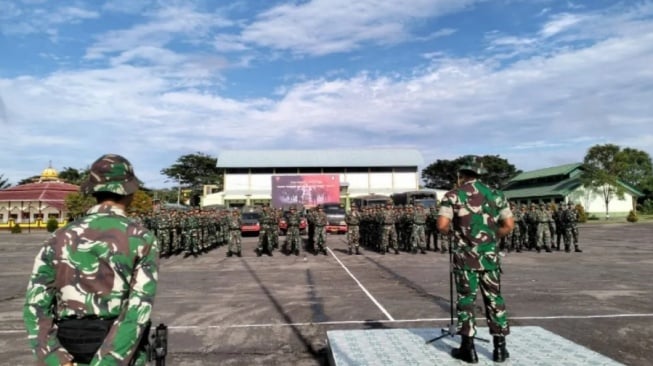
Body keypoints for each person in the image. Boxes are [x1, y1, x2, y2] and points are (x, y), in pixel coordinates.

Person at [23, 154, 159, 366]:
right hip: (121, 352)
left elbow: (35, 305)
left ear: (93, 190)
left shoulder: (58, 237)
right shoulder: (141, 237)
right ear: (130, 191)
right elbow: (138, 308)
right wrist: (108, 361)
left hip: (68, 349)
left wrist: (55, 359)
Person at [437, 156, 514, 363]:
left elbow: (442, 225)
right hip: (489, 257)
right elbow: (508, 225)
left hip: (465, 258)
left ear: (462, 176)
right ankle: (499, 349)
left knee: (466, 301)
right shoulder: (497, 195)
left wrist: (458, 236)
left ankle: (468, 349)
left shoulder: (453, 195)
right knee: (494, 299)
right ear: (480, 175)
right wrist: (489, 237)